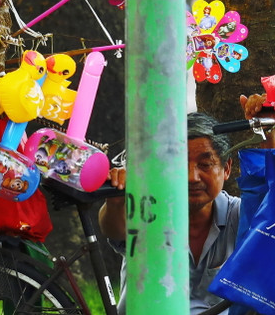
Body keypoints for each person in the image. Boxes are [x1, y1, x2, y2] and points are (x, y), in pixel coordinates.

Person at [99, 94, 275, 315]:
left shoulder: (240, 215)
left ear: (227, 169)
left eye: (205, 164)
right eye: (179, 164)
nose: (192, 177)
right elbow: (114, 228)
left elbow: (268, 210)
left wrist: (268, 130)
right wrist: (116, 201)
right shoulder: (150, 210)